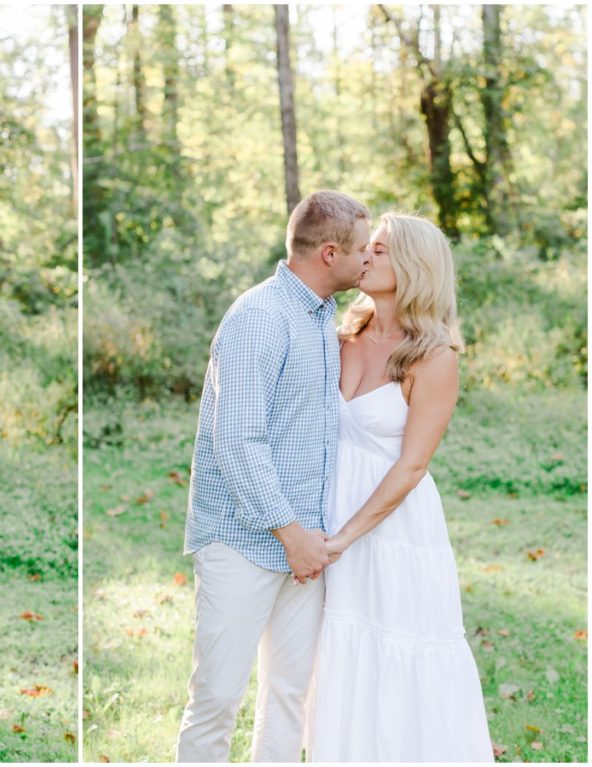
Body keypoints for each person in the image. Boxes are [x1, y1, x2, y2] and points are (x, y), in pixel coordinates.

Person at [176, 191, 373, 762]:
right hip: (244, 540)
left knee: (289, 695)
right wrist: (293, 534)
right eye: (362, 250)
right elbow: (238, 441)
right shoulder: (259, 318)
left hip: (306, 546)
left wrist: (309, 538)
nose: (368, 260)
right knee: (216, 695)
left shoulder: (321, 318)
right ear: (330, 253)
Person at [306, 213, 493, 761]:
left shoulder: (434, 356)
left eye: (380, 249)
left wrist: (344, 538)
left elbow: (412, 468)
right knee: (338, 651)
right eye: (367, 247)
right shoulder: (341, 332)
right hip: (326, 510)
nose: (366, 255)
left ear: (412, 265)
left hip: (391, 528)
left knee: (395, 649)